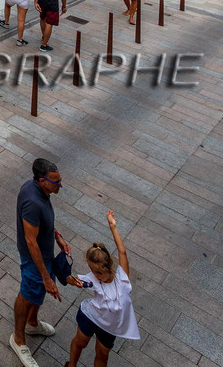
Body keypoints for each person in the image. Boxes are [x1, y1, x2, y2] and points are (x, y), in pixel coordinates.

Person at [11, 157, 72, 367]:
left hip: (45, 255)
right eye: (56, 182)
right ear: (42, 181)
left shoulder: (41, 191)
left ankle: (32, 323)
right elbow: (30, 240)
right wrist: (46, 277)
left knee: (36, 293)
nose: (60, 185)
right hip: (34, 260)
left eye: (60, 180)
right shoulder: (32, 202)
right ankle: (18, 339)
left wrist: (57, 236)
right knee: (27, 295)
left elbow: (44, 222)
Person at [65, 210, 140, 367]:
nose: (95, 275)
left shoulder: (122, 278)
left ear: (109, 268)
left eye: (98, 272)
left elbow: (122, 251)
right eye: (92, 270)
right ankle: (71, 365)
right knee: (81, 342)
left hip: (110, 326)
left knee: (102, 353)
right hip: (91, 316)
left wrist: (112, 227)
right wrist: (72, 281)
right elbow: (73, 280)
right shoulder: (93, 279)